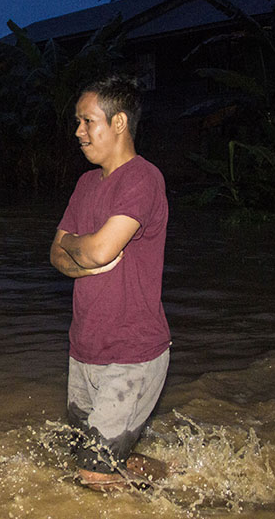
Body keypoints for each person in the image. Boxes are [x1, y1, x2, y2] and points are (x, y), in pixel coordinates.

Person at [49, 75, 170, 488]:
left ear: (119, 123)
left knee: (91, 474)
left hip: (132, 353)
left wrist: (75, 246)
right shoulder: (86, 184)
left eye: (87, 121)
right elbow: (56, 255)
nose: (78, 132)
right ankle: (174, 477)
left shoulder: (143, 179)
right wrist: (82, 259)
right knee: (84, 457)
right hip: (84, 350)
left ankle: (177, 500)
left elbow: (99, 250)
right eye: (78, 122)